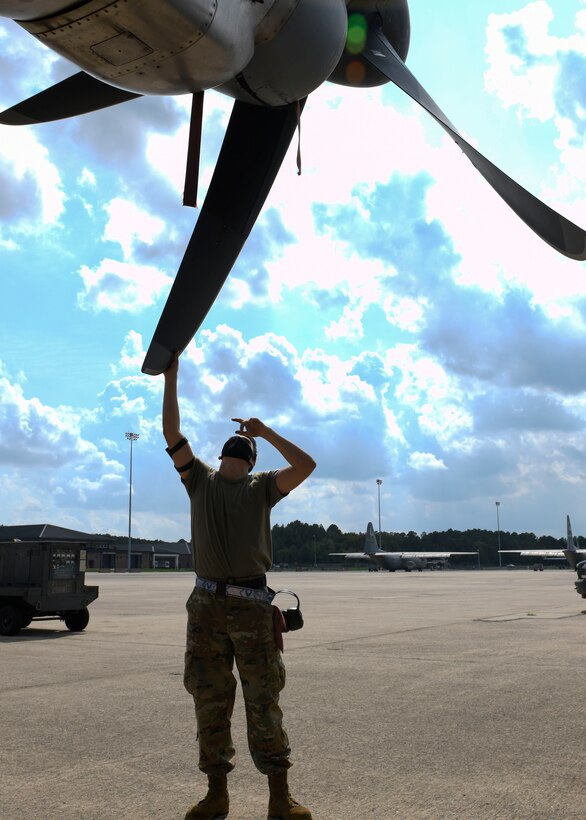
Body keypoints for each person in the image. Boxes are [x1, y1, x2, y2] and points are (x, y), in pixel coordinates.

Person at [162, 354, 316, 820]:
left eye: (239, 452)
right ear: (231, 457)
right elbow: (173, 435)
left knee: (260, 697)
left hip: (246, 605)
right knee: (213, 697)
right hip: (209, 604)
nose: (233, 455)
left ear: (246, 462)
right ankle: (221, 793)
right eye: (232, 450)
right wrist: (171, 379)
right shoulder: (201, 481)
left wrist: (264, 432)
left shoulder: (261, 486)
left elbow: (306, 465)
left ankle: (273, 796)